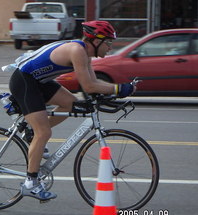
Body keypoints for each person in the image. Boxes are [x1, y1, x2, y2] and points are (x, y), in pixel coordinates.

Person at [9, 20, 134, 201]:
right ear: (96, 40)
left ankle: (30, 131)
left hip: (39, 82)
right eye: (108, 42)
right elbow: (89, 86)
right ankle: (30, 183)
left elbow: (94, 84)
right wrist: (118, 89)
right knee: (43, 132)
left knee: (70, 103)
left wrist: (112, 92)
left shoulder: (85, 54)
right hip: (24, 81)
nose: (110, 47)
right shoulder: (77, 51)